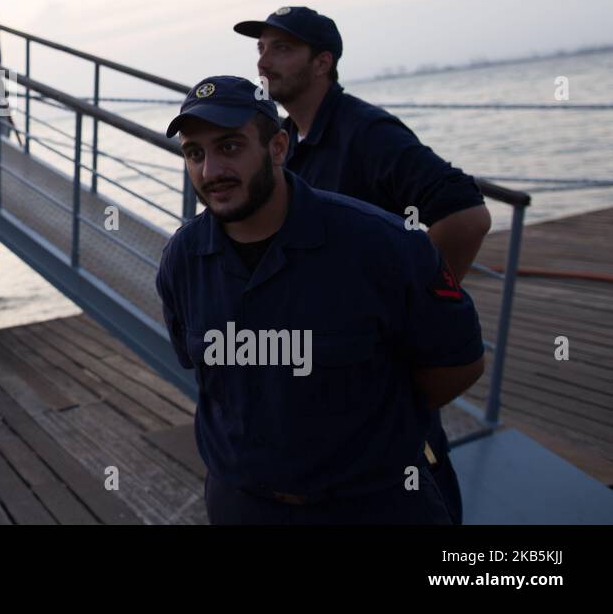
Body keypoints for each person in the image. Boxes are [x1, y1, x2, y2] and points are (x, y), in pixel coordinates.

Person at [156, 75, 485, 524]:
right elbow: (210, 378)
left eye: (230, 147)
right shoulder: (182, 259)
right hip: (243, 505)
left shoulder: (381, 245)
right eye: (195, 153)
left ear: (277, 147)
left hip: (372, 506)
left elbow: (456, 366)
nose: (210, 171)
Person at [233, 5, 491, 525]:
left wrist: (411, 314)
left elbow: (465, 215)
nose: (263, 63)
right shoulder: (288, 142)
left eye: (281, 48)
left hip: (381, 384)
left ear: (323, 61)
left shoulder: (366, 132)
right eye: (260, 49)